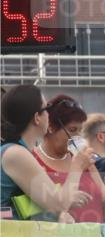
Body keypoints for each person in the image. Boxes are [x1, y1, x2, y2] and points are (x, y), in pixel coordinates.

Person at [1, 85, 93, 220]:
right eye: (46, 109)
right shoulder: (16, 154)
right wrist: (77, 167)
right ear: (37, 117)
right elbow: (58, 204)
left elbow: (32, 202)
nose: (49, 114)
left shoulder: (14, 151)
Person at [35, 95, 105, 223]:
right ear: (51, 127)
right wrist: (76, 168)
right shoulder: (33, 160)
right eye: (72, 130)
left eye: (80, 131)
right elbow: (37, 212)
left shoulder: (83, 159)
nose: (77, 137)